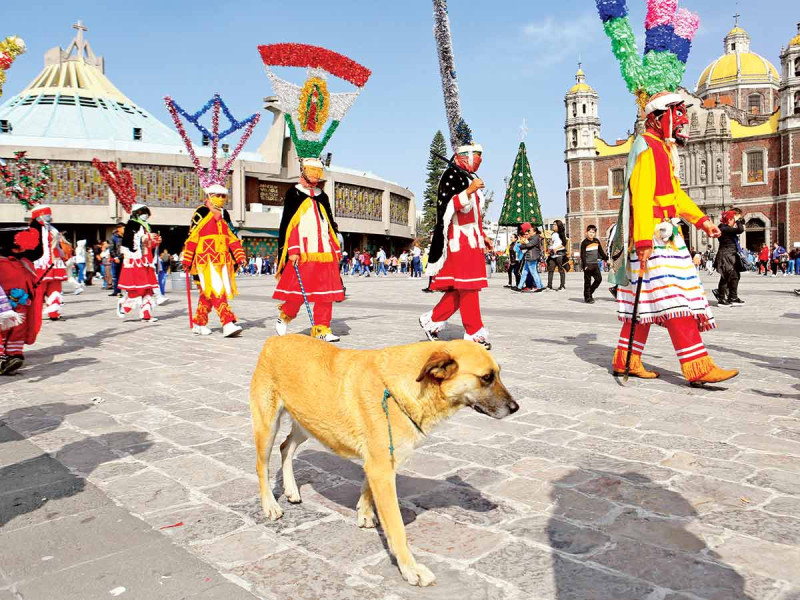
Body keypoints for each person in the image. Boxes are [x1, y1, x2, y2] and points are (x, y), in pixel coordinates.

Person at [606, 91, 737, 385]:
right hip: (651, 236)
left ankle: (626, 360)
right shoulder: (646, 147)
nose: (682, 120)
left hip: (665, 233)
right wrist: (641, 241)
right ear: (657, 117)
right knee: (675, 300)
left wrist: (702, 221)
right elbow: (640, 196)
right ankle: (698, 367)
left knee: (644, 306)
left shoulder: (663, 149)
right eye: (676, 114)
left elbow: (674, 195)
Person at [420, 139, 493, 349]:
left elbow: (475, 214)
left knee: (460, 289)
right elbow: (448, 206)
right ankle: (474, 332)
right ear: (465, 156)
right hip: (458, 241)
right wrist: (469, 190)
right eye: (477, 157)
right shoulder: (451, 175)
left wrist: (483, 234)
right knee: (468, 287)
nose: (479, 161)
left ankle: (431, 320)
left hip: (471, 239)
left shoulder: (468, 176)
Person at [274, 157, 343, 342]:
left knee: (325, 294)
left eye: (318, 172)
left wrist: (335, 247)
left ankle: (322, 328)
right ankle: (284, 316)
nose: (315, 176)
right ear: (303, 170)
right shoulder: (293, 193)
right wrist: (293, 249)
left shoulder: (323, 195)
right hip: (304, 251)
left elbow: (328, 223)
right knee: (298, 292)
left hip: (325, 251)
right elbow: (290, 224)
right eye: (312, 171)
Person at [183, 185, 247, 337]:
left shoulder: (225, 214)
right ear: (209, 195)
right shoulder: (201, 212)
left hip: (223, 259)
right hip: (205, 259)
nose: (221, 198)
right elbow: (192, 238)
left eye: (223, 196)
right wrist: (187, 259)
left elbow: (232, 238)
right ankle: (227, 323)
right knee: (218, 289)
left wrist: (240, 255)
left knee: (208, 293)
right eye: (217, 195)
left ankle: (199, 323)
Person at [0, 220, 45, 375]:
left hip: (21, 302)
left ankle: (13, 354)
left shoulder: (23, 262)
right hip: (2, 303)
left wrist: (36, 226)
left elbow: (37, 252)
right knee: (2, 329)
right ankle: (1, 357)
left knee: (19, 328)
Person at [116, 203, 161, 321]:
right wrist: (148, 238)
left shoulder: (147, 226)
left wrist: (156, 241)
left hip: (147, 259)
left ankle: (146, 314)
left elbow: (148, 244)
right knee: (139, 288)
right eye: (143, 213)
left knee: (148, 288)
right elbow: (130, 243)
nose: (145, 215)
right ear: (137, 213)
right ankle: (124, 305)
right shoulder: (132, 225)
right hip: (136, 260)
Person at [30, 206, 68, 321]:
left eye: (49, 215)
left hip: (55, 262)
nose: (49, 217)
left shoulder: (53, 229)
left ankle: (54, 313)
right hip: (40, 263)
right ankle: (35, 314)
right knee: (39, 290)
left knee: (55, 288)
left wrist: (62, 257)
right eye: (46, 215)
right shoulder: (32, 230)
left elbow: (57, 246)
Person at [712, 210, 745, 306]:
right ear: (729, 219)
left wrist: (740, 221)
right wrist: (738, 221)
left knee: (735, 276)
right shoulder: (723, 228)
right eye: (733, 220)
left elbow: (739, 228)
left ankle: (733, 297)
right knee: (725, 277)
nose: (734, 222)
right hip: (725, 256)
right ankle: (721, 298)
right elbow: (740, 230)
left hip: (732, 255)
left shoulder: (727, 228)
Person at [580, 224, 608, 303]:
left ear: (595, 233)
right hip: (588, 265)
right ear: (586, 232)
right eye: (589, 232)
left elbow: (601, 252)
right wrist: (585, 265)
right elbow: (582, 255)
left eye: (593, 232)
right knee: (587, 282)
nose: (591, 233)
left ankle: (590, 293)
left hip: (595, 265)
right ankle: (587, 298)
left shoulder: (596, 241)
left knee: (599, 279)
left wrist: (606, 258)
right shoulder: (584, 243)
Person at [516, 224, 544, 293]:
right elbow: (527, 244)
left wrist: (521, 246)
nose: (529, 232)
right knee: (524, 272)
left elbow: (529, 245)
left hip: (532, 257)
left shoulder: (536, 238)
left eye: (530, 231)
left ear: (534, 232)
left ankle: (539, 287)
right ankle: (519, 287)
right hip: (529, 257)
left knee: (533, 272)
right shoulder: (532, 238)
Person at [546, 220, 568, 291]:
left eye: (555, 225)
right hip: (552, 255)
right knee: (550, 269)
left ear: (558, 226)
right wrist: (550, 248)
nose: (553, 226)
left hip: (559, 254)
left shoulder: (561, 233)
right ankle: (549, 286)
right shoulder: (553, 234)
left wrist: (556, 248)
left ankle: (562, 285)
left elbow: (564, 243)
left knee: (560, 270)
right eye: (553, 224)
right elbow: (553, 243)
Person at [109, 222, 124, 296]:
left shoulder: (126, 236)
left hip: (125, 258)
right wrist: (115, 257)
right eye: (123, 228)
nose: (124, 229)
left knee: (126, 275)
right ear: (119, 229)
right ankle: (117, 291)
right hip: (117, 259)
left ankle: (129, 290)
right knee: (116, 276)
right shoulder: (114, 237)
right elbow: (111, 248)